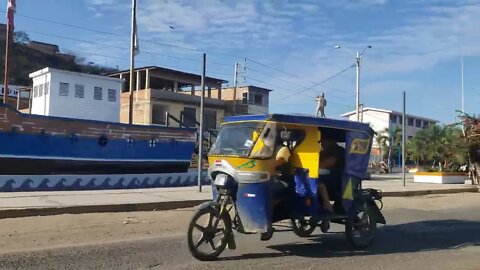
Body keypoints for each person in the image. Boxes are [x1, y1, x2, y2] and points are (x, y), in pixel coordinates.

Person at [318, 139, 345, 213]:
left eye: (323, 140)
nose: (322, 143)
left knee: (319, 183)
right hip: (328, 174)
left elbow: (329, 163)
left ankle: (327, 204)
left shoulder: (337, 151)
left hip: (337, 178)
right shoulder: (324, 151)